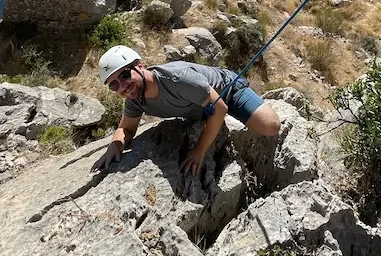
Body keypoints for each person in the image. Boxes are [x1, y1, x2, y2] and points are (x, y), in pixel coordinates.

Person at [90, 45, 280, 176]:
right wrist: (115, 144)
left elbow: (220, 108)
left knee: (270, 126)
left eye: (124, 74)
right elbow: (127, 129)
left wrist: (199, 150)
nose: (123, 85)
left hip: (226, 92)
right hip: (201, 109)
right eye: (114, 85)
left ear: (139, 66)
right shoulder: (135, 97)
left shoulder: (179, 79)